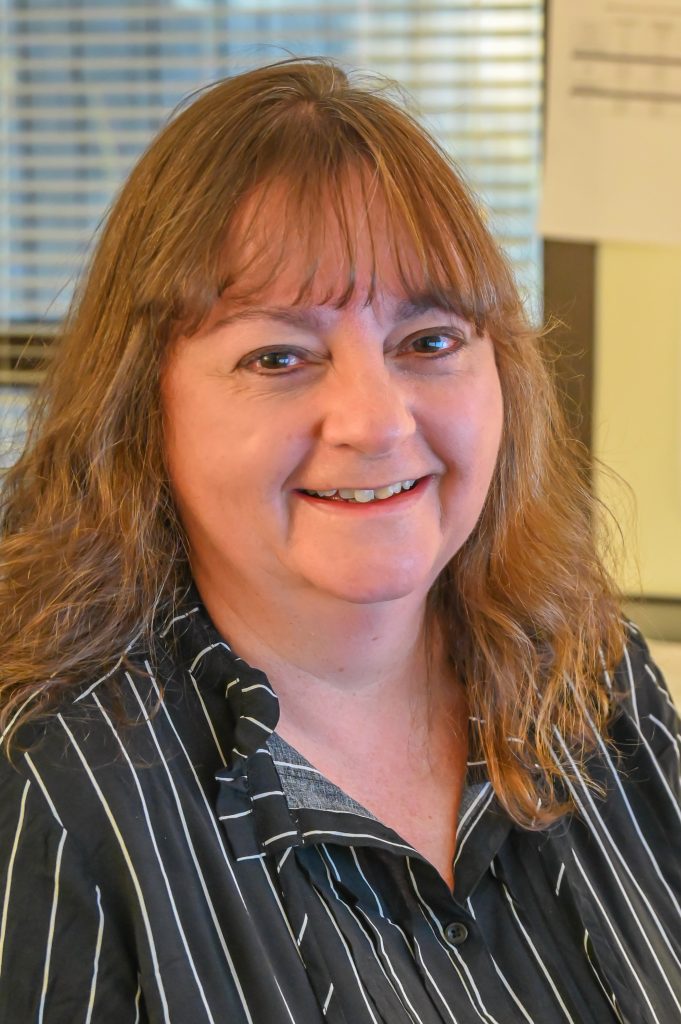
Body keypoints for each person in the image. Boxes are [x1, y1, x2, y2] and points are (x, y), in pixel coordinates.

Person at [0, 57, 679, 1024]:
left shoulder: (591, 679)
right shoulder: (61, 795)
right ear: (142, 410)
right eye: (278, 355)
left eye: (428, 340)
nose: (375, 419)